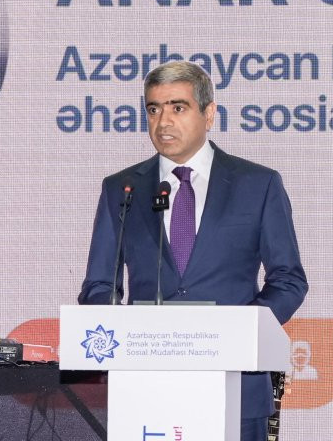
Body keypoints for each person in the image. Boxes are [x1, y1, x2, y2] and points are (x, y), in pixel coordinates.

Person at [79, 61, 307, 441]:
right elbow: (98, 285)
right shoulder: (122, 189)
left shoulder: (258, 184)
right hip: (145, 390)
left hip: (236, 388)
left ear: (209, 113)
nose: (163, 121)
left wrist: (239, 332)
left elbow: (289, 280)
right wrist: (124, 330)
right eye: (154, 109)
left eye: (178, 107)